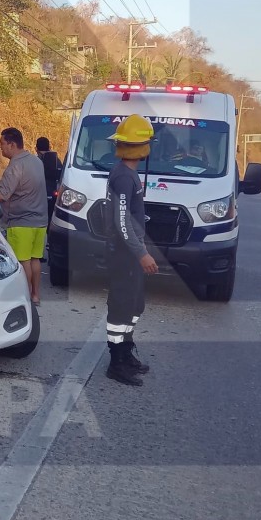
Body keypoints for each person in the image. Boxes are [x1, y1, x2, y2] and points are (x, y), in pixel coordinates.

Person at [104, 114, 159, 386]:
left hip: (129, 251)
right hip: (124, 255)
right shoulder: (124, 178)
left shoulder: (128, 174)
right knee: (122, 308)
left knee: (135, 305)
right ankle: (117, 363)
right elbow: (122, 222)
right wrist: (141, 253)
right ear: (142, 146)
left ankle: (125, 353)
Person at [0, 127, 48, 306]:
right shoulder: (37, 161)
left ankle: (25, 296)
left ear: (12, 144)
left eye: (2, 144)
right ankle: (36, 295)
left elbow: (3, 195)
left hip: (21, 221)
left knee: (23, 262)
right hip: (40, 221)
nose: (0, 148)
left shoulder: (16, 166)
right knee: (35, 259)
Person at [35, 137, 63, 225]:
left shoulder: (36, 161)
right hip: (54, 195)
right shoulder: (57, 161)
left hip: (38, 197)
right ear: (49, 147)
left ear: (36, 148)